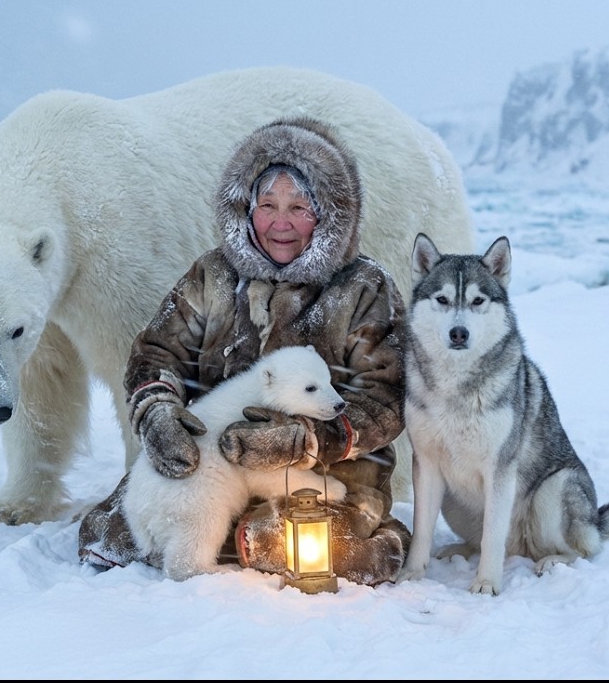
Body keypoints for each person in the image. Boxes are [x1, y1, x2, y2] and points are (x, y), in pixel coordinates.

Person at [78, 116, 411, 585]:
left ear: (329, 214)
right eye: (267, 205)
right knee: (111, 532)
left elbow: (387, 397)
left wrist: (305, 440)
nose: (280, 223)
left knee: (296, 542)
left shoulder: (363, 286)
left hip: (332, 471)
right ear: (244, 208)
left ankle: (364, 538)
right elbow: (156, 355)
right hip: (211, 465)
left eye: (299, 207)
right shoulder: (212, 275)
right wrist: (158, 412)